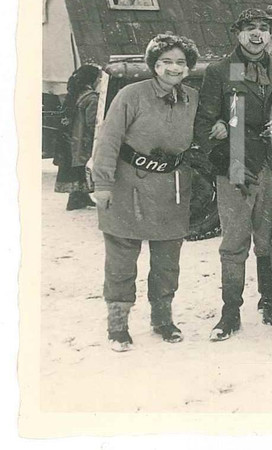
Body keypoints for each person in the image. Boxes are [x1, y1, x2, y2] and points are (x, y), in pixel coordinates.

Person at [91, 33, 201, 351]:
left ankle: (162, 320)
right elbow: (108, 139)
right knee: (122, 262)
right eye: (166, 61)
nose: (173, 68)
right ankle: (117, 326)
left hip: (172, 188)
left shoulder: (192, 98)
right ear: (154, 64)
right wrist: (103, 184)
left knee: (167, 263)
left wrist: (219, 128)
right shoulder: (131, 95)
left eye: (181, 62)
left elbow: (208, 128)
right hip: (129, 185)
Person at [194, 8, 272, 341]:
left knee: (267, 240)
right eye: (250, 28)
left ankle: (270, 304)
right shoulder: (220, 71)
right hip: (236, 164)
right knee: (235, 243)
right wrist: (220, 136)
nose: (258, 35)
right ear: (236, 32)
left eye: (264, 29)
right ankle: (230, 312)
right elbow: (203, 123)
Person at [54, 64, 101, 210]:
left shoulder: (75, 94)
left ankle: (82, 197)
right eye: (99, 78)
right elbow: (92, 122)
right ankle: (75, 199)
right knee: (82, 168)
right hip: (82, 139)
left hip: (70, 138)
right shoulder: (91, 97)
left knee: (76, 167)